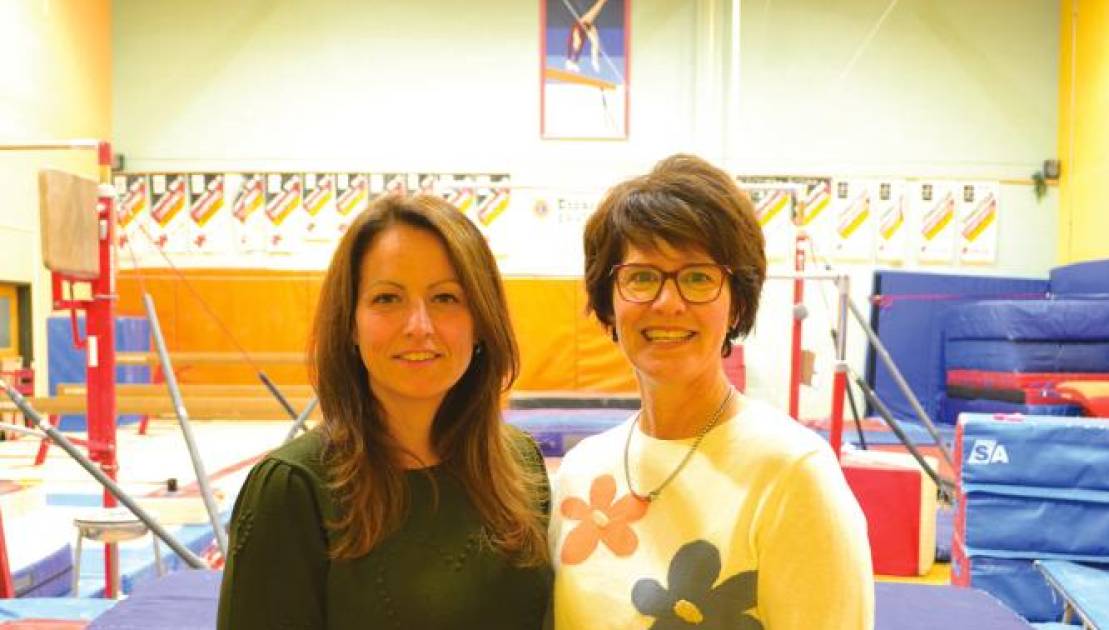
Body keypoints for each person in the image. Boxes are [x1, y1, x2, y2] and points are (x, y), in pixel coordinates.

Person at [549, 154, 874, 629]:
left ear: (737, 304)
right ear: (608, 302)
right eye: (641, 277)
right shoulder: (582, 473)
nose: (667, 303)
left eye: (698, 277)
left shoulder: (792, 474)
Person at [218, 194, 552, 629]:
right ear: (351, 324)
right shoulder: (294, 490)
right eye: (387, 298)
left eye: (446, 297)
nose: (419, 326)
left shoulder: (520, 464)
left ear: (481, 323)